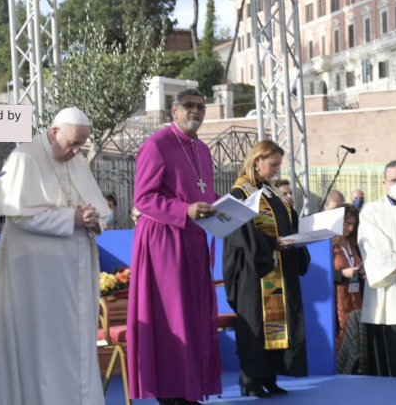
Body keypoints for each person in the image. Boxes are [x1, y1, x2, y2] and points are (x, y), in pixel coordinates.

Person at [0, 107, 110, 405]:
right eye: (72, 144)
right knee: (40, 349)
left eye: (82, 144)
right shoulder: (24, 157)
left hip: (70, 282)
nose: (77, 151)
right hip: (34, 281)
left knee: (72, 347)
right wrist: (71, 220)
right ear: (54, 132)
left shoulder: (76, 160)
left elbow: (98, 209)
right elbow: (19, 217)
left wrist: (94, 218)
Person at [127, 88, 222, 405]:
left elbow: (202, 195)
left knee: (195, 317)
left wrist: (220, 209)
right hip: (164, 243)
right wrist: (185, 210)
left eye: (201, 107)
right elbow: (144, 198)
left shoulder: (203, 150)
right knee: (173, 318)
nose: (196, 111)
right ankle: (171, 394)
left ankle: (191, 389)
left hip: (195, 241)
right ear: (173, 111)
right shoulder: (156, 145)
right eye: (189, 106)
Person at [222, 140, 311, 398]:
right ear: (257, 160)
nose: (276, 170)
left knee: (278, 324)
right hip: (254, 270)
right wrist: (272, 243)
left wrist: (298, 237)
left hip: (278, 267)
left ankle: (269, 376)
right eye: (272, 165)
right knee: (256, 324)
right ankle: (249, 380)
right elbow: (239, 235)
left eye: (278, 165)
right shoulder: (240, 192)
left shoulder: (270, 192)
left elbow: (288, 222)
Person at [357, 160, 396, 378]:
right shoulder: (372, 210)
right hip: (390, 287)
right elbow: (372, 246)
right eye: (394, 180)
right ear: (384, 183)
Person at [332, 204, 364, 353]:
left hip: (355, 297)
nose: (351, 228)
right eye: (347, 223)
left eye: (353, 224)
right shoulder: (329, 244)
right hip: (338, 298)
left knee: (356, 335)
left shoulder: (353, 244)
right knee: (341, 336)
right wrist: (342, 274)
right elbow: (322, 274)